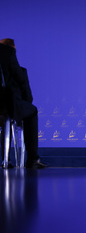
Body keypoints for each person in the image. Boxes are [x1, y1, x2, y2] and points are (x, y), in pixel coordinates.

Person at [0, 38, 46, 169]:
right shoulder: (7, 52)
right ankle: (32, 159)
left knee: (6, 119)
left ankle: (5, 159)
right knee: (32, 111)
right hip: (6, 105)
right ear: (13, 47)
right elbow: (22, 81)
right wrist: (27, 101)